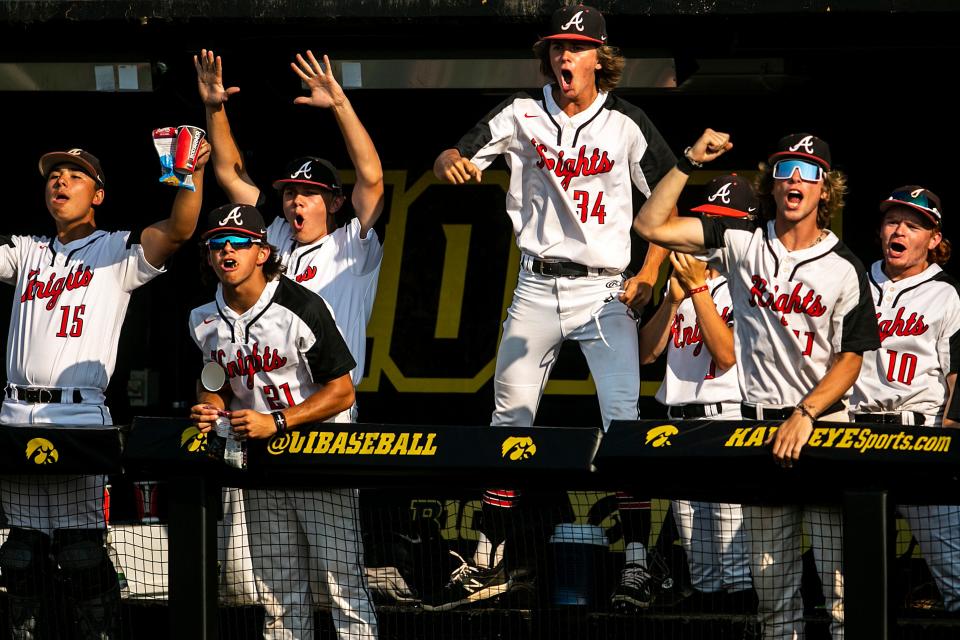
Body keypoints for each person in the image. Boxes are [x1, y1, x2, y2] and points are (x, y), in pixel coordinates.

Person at [433, 3, 676, 603]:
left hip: (603, 287)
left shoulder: (626, 122)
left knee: (623, 422)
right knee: (509, 417)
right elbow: (450, 157)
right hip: (538, 283)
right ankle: (490, 556)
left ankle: (639, 563)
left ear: (601, 57)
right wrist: (451, 163)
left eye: (577, 47)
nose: (565, 56)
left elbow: (670, 198)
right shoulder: (520, 112)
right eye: (557, 47)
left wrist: (648, 271)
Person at [632, 129, 880, 638]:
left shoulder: (845, 267)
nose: (795, 178)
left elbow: (851, 360)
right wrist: (687, 161)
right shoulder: (742, 242)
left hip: (824, 429)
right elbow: (649, 224)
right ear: (771, 185)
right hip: (761, 433)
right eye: (785, 168)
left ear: (824, 190)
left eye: (809, 171)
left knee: (841, 601)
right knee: (774, 602)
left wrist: (806, 413)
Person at [0, 144, 209, 638]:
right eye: (54, 175)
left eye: (74, 175)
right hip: (15, 409)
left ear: (98, 194)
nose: (60, 181)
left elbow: (179, 230)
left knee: (81, 554)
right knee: (21, 555)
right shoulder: (25, 250)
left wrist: (189, 175)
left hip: (78, 415)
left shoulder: (117, 250)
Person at [189, 204, 377, 640]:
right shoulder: (203, 319)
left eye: (239, 242)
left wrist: (276, 421)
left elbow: (342, 391)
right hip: (259, 456)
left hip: (320, 450)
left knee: (341, 584)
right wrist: (208, 404)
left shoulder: (301, 305)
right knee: (277, 592)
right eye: (217, 243)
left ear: (262, 252)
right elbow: (214, 377)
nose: (227, 250)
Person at [195, 48, 384, 400]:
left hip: (326, 403)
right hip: (263, 403)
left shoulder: (351, 246)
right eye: (290, 192)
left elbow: (371, 179)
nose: (296, 200)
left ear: (336, 202)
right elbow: (230, 174)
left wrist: (340, 105)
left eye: (310, 193)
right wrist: (214, 108)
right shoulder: (275, 232)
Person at [632, 174, 754, 611]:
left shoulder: (749, 283)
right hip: (678, 420)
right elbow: (645, 355)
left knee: (734, 558)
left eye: (724, 224)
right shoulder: (682, 279)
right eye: (707, 221)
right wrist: (670, 300)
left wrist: (698, 291)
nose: (710, 233)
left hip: (725, 419)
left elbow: (725, 357)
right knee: (700, 563)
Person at [849, 186, 960, 612]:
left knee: (954, 572)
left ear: (934, 239)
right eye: (893, 221)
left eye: (914, 225)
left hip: (920, 437)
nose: (900, 230)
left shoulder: (947, 293)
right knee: (849, 578)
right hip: (854, 435)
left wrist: (949, 446)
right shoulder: (854, 281)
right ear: (880, 230)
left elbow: (958, 375)